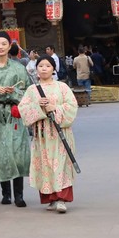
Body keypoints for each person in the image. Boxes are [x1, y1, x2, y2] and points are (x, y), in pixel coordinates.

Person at [19, 55, 79, 213]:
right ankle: (51, 198)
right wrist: (37, 105)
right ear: (36, 69)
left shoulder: (62, 87)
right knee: (45, 165)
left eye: (47, 66)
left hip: (60, 133)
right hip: (42, 135)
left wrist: (54, 108)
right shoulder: (32, 90)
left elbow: (72, 106)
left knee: (61, 164)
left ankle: (62, 198)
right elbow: (23, 109)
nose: (44, 69)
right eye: (41, 66)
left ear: (53, 69)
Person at [0, 32, 31, 208]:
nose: (1, 47)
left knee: (17, 153)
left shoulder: (19, 68)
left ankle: (19, 195)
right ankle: (6, 193)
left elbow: (29, 92)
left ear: (10, 46)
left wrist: (14, 92)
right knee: (0, 152)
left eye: (4, 44)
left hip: (14, 113)